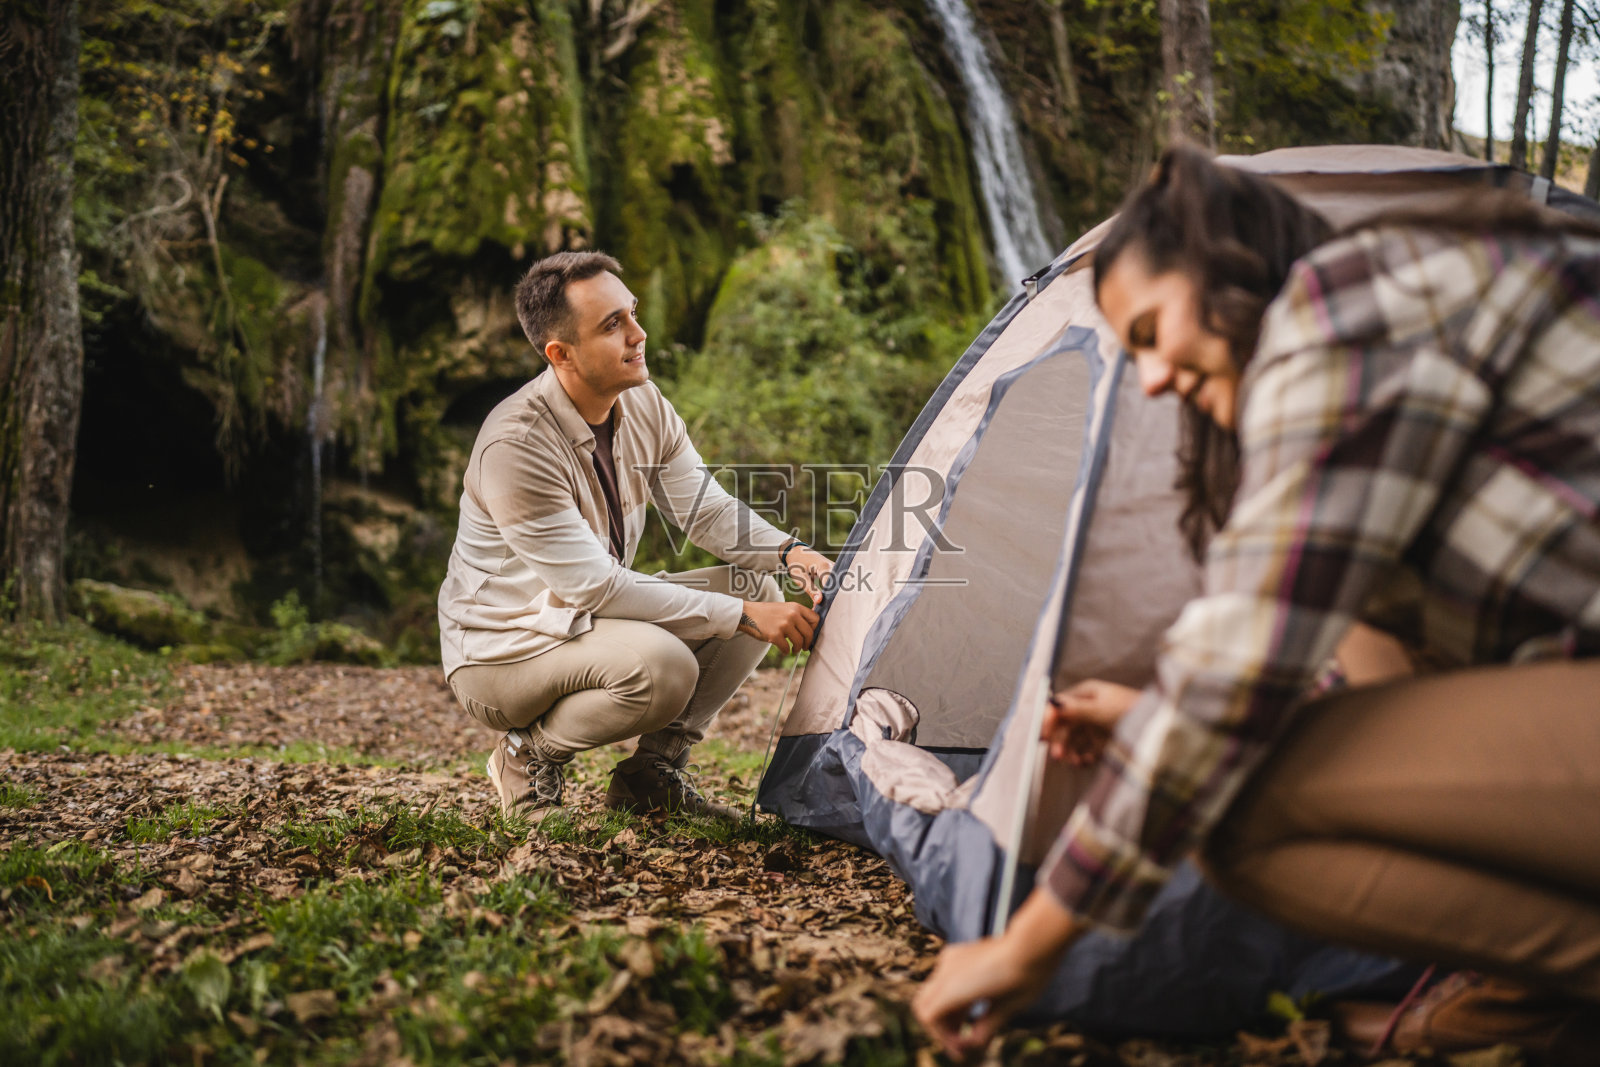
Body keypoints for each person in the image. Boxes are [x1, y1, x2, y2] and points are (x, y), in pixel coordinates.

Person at [913, 146, 1600, 1061]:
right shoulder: (1405, 320)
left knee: (1234, 812)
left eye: (1150, 332)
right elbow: (1347, 680)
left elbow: (1235, 671)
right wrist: (1153, 717)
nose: (1151, 380)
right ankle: (1543, 1006)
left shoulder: (1343, 306)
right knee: (1267, 722)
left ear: (1222, 264)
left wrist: (1030, 941)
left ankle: (1536, 1006)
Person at [438, 251, 832, 822]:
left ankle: (651, 776)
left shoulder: (640, 400)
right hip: (500, 653)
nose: (638, 334)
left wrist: (789, 553)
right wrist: (739, 615)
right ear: (560, 354)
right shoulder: (515, 445)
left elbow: (703, 510)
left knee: (757, 582)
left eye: (632, 313)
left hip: (584, 621)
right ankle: (526, 755)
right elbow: (594, 587)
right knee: (664, 667)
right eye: (612, 325)